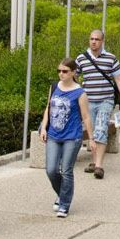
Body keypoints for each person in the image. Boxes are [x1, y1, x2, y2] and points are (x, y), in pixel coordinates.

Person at [73, 28, 120, 180]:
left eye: (97, 39)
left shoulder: (111, 58)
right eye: (91, 39)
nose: (94, 42)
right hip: (88, 101)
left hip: (106, 100)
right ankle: (94, 161)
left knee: (101, 128)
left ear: (102, 41)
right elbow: (74, 77)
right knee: (92, 132)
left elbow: (118, 79)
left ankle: (99, 166)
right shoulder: (81, 59)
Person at [41, 58, 85, 217]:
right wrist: (44, 127)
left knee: (66, 170)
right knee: (51, 170)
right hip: (53, 134)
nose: (61, 74)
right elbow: (48, 108)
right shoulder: (54, 87)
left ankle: (64, 204)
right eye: (59, 71)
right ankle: (62, 194)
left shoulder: (79, 92)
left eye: (65, 71)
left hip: (72, 137)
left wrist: (92, 139)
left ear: (73, 73)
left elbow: (86, 117)